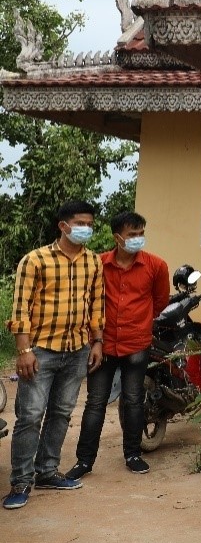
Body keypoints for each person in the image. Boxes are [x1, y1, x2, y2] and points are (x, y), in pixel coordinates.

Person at [4, 201, 104, 511]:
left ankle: (47, 471)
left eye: (89, 224)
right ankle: (20, 482)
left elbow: (96, 304)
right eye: (80, 223)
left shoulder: (93, 262)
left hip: (77, 350)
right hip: (41, 351)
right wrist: (24, 350)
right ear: (63, 226)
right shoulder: (35, 261)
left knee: (61, 412)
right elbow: (20, 308)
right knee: (30, 416)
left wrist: (97, 342)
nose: (85, 229)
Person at [66, 211, 169, 481]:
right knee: (95, 403)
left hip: (137, 344)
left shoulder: (156, 266)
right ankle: (84, 461)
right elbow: (89, 301)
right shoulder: (98, 264)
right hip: (102, 344)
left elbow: (159, 301)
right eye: (131, 234)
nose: (137, 239)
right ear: (117, 237)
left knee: (133, 401)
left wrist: (140, 321)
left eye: (141, 233)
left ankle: (133, 454)